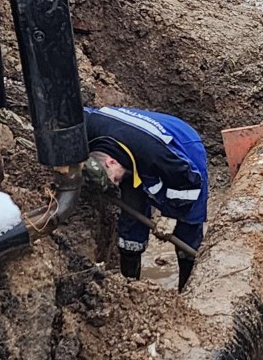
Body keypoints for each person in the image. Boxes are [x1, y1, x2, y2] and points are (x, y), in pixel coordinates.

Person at [82, 106, 208, 290]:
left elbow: (188, 184)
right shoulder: (87, 128)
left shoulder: (160, 155)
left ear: (111, 162)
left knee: (188, 224)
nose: (116, 184)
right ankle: (129, 285)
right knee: (131, 217)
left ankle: (188, 287)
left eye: (114, 180)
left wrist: (170, 216)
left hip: (182, 147)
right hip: (132, 149)